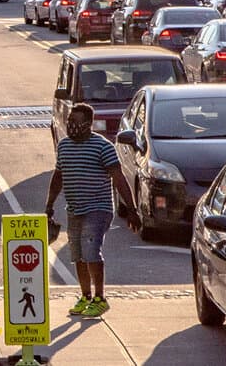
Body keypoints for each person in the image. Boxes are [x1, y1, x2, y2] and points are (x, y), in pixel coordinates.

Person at [45, 102, 138, 319]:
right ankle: (85, 296)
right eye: (69, 122)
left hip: (98, 208)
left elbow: (118, 178)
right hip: (75, 208)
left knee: (91, 252)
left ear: (89, 124)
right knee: (77, 255)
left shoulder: (103, 147)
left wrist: (132, 209)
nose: (71, 126)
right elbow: (58, 176)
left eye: (76, 122)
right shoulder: (64, 146)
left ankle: (100, 297)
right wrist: (49, 204)